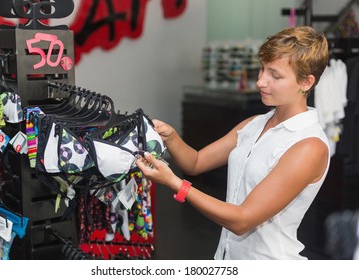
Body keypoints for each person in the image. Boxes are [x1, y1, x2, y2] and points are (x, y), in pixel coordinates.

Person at [136, 26, 330, 260]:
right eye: (262, 70)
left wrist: (175, 184)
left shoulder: (309, 145)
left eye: (275, 76)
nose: (260, 81)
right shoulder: (254, 124)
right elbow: (195, 162)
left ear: (306, 82)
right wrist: (171, 136)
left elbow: (242, 220)